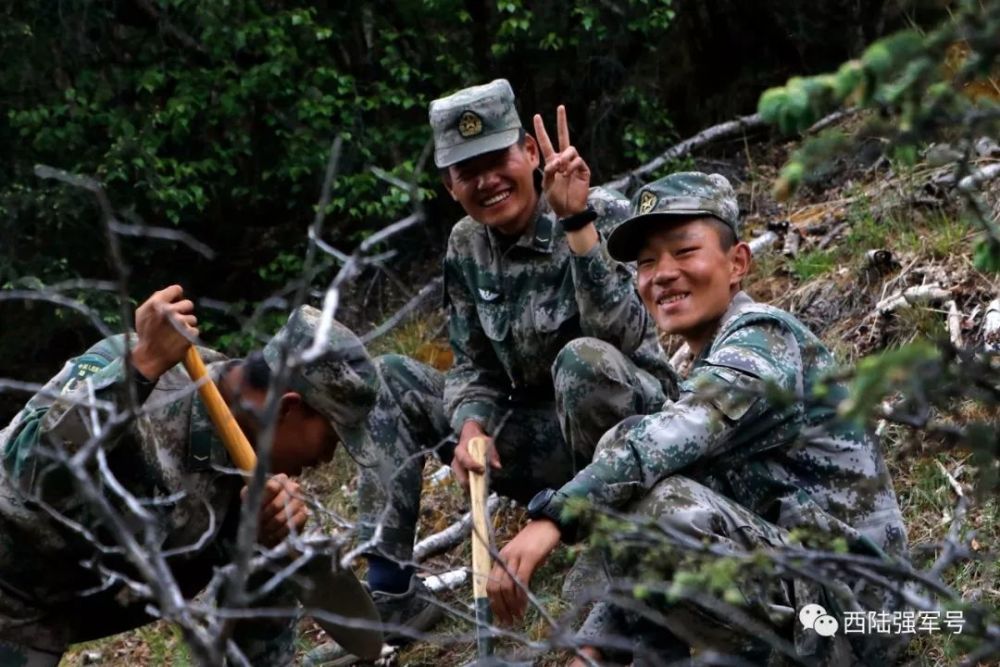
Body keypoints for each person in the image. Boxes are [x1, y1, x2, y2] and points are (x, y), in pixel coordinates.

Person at [486, 172, 909, 665]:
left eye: (684, 252)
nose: (661, 274)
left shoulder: (764, 337)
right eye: (646, 262)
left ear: (737, 263)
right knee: (645, 484)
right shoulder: (703, 361)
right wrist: (597, 641)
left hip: (864, 612)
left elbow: (686, 427)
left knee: (662, 505)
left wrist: (560, 512)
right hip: (808, 585)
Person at [355, 79, 676, 636]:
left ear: (529, 152)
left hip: (632, 438)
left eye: (497, 158)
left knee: (582, 360)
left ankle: (618, 545)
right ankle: (390, 592)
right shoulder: (465, 245)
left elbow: (626, 337)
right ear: (449, 185)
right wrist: (470, 423)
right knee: (392, 376)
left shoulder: (598, 212)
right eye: (466, 171)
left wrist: (577, 225)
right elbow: (472, 365)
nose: (486, 181)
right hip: (537, 439)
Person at [0, 285, 379, 666]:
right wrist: (141, 365)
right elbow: (31, 465)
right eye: (331, 438)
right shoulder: (139, 371)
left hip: (55, 610)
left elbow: (251, 629)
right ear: (287, 409)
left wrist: (265, 542)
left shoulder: (250, 476)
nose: (327, 459)